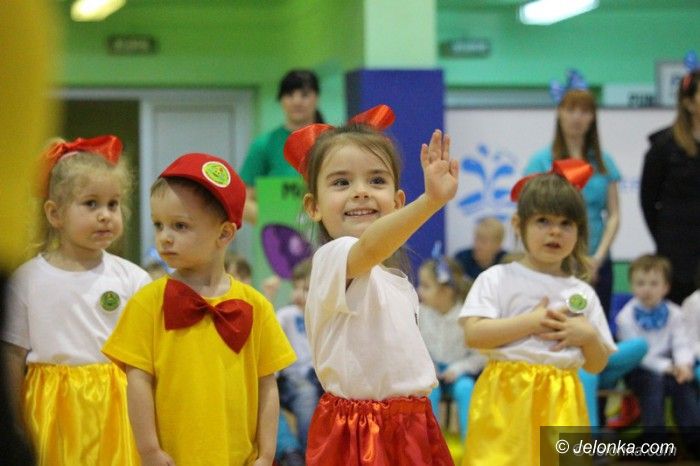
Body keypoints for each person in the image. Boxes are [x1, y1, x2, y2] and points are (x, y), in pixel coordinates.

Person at [284, 104, 457, 465]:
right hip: (359, 430)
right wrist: (430, 202)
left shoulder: (397, 281)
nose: (360, 192)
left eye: (376, 180)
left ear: (396, 201)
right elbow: (369, 248)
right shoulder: (333, 257)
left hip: (413, 422)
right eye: (341, 182)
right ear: (313, 206)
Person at [102, 153, 296, 465]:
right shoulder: (147, 302)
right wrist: (149, 450)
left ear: (225, 233)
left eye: (180, 225)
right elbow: (137, 382)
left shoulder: (255, 305)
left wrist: (267, 453)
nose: (164, 237)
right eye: (158, 225)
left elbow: (267, 385)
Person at [1, 136, 151, 465]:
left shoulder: (134, 279)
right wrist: (14, 421)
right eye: (91, 204)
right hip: (50, 411)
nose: (105, 215)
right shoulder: (26, 280)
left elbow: (145, 359)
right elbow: (12, 354)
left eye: (113, 204)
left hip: (116, 410)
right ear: (55, 213)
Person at [460, 160, 616, 466]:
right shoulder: (497, 278)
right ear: (518, 225)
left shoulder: (582, 292)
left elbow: (597, 364)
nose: (555, 231)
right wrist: (529, 322)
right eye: (543, 221)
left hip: (562, 402)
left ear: (580, 231)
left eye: (566, 223)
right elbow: (474, 335)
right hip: (506, 399)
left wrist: (587, 336)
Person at [525, 89, 620, 317]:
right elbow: (529, 212)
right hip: (553, 260)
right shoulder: (541, 161)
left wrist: (597, 259)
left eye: (585, 111)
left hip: (597, 261)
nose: (577, 117)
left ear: (593, 117)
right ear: (559, 113)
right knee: (556, 324)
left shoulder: (604, 162)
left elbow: (614, 215)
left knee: (596, 326)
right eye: (570, 110)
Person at [225, 250, 305, 466]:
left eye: (245, 277)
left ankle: (293, 452)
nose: (242, 282)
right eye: (235, 276)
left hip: (270, 381)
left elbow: (269, 366)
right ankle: (290, 451)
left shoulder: (255, 305)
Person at [616, 254, 700, 455]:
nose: (647, 289)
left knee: (683, 384)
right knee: (653, 384)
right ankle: (655, 442)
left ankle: (694, 440)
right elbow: (637, 354)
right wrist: (666, 367)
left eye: (654, 284)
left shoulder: (675, 313)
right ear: (632, 286)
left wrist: (684, 365)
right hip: (639, 370)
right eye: (640, 283)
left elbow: (681, 343)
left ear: (666, 287)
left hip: (671, 368)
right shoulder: (625, 317)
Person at [641, 69, 700, 305]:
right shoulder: (663, 146)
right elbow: (648, 200)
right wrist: (666, 240)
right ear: (688, 103)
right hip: (677, 251)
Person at [241, 70, 323, 225]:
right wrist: (274, 221)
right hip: (277, 236)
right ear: (281, 100)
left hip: (327, 235)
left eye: (304, 95)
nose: (297, 101)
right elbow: (243, 200)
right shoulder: (263, 144)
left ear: (316, 97)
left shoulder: (332, 141)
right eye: (290, 95)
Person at [417, 254, 484, 441]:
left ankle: (469, 442)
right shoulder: (420, 313)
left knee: (466, 387)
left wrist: (458, 368)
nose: (419, 290)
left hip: (458, 373)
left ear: (446, 291)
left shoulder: (466, 317)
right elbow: (415, 349)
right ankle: (432, 445)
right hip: (431, 374)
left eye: (426, 286)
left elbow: (480, 356)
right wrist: (430, 367)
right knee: (427, 391)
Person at [276, 259, 322, 459]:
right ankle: (307, 454)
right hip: (292, 378)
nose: (298, 294)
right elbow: (272, 343)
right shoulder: (287, 315)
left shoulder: (324, 316)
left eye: (306, 289)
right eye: (295, 287)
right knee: (306, 394)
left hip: (318, 376)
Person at [453, 217, 506, 281]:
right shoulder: (461, 260)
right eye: (476, 239)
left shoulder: (507, 263)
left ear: (498, 245)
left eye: (483, 241)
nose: (477, 245)